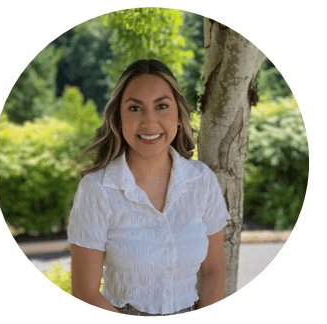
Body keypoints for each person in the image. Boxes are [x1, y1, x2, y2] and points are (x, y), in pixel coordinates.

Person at [67, 59, 231, 316]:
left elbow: (214, 270)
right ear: (119, 118)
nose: (149, 122)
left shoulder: (202, 181)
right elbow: (85, 293)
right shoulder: (97, 190)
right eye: (135, 108)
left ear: (178, 115)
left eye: (162, 106)